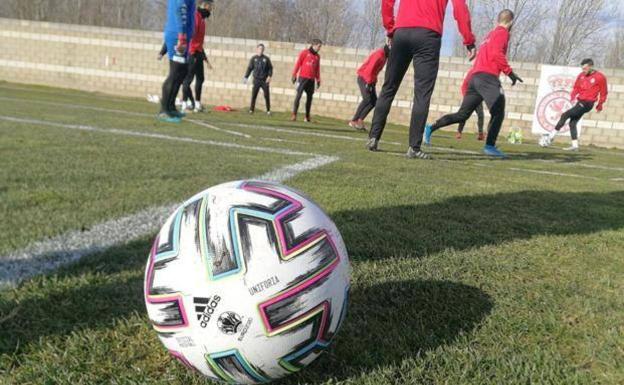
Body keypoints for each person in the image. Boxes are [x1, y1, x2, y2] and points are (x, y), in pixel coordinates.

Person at [366, 0, 476, 159]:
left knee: (389, 87)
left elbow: (387, 2)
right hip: (428, 36)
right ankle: (414, 147)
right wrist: (469, 40)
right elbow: (460, 9)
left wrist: (390, 29)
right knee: (422, 94)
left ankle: (373, 138)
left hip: (402, 32)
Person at [424, 9, 522, 158]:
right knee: (499, 111)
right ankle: (490, 146)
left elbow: (484, 58)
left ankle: (431, 128)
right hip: (487, 78)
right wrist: (510, 73)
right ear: (511, 22)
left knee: (462, 114)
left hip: (475, 78)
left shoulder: (490, 35)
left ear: (497, 20)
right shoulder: (503, 33)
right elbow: (496, 53)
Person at [541, 58, 608, 151]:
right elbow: (576, 87)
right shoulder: (581, 75)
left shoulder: (600, 77)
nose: (583, 70)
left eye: (585, 68)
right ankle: (575, 145)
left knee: (565, 115)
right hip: (580, 102)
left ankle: (550, 137)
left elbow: (604, 92)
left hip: (588, 103)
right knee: (572, 123)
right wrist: (572, 96)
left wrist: (600, 104)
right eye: (582, 68)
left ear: (591, 67)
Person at [158, 0, 196, 123]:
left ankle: (171, 107)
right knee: (175, 72)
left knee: (182, 72)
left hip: (184, 36)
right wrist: (181, 35)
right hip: (177, 36)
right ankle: (164, 110)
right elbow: (180, 11)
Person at [181, 0, 213, 113]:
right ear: (204, 5)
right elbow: (191, 34)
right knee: (187, 80)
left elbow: (199, 41)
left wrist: (206, 60)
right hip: (192, 52)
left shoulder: (202, 19)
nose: (211, 8)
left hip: (198, 52)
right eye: (210, 6)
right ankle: (184, 104)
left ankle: (197, 104)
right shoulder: (196, 16)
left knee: (201, 78)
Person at [349, 44, 390, 131]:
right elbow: (369, 69)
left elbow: (376, 71)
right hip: (364, 78)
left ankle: (360, 120)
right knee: (367, 99)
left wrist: (373, 82)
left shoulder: (385, 56)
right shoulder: (379, 54)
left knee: (374, 101)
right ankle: (354, 120)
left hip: (371, 80)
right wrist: (368, 83)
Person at [291, 39, 322, 123]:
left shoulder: (317, 57)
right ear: (314, 45)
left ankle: (307, 116)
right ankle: (294, 114)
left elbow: (317, 69)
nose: (319, 48)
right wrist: (294, 74)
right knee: (298, 96)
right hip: (302, 78)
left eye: (320, 47)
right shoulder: (304, 53)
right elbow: (298, 63)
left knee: (309, 98)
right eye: (319, 46)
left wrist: (318, 79)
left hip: (311, 80)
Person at [244, 44, 274, 115]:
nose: (261, 50)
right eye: (260, 49)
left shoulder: (266, 59)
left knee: (266, 95)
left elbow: (270, 68)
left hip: (264, 80)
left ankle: (268, 110)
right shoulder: (254, 58)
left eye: (262, 49)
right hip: (256, 80)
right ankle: (251, 110)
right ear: (257, 49)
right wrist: (246, 77)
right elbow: (250, 68)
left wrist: (269, 76)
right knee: (254, 95)